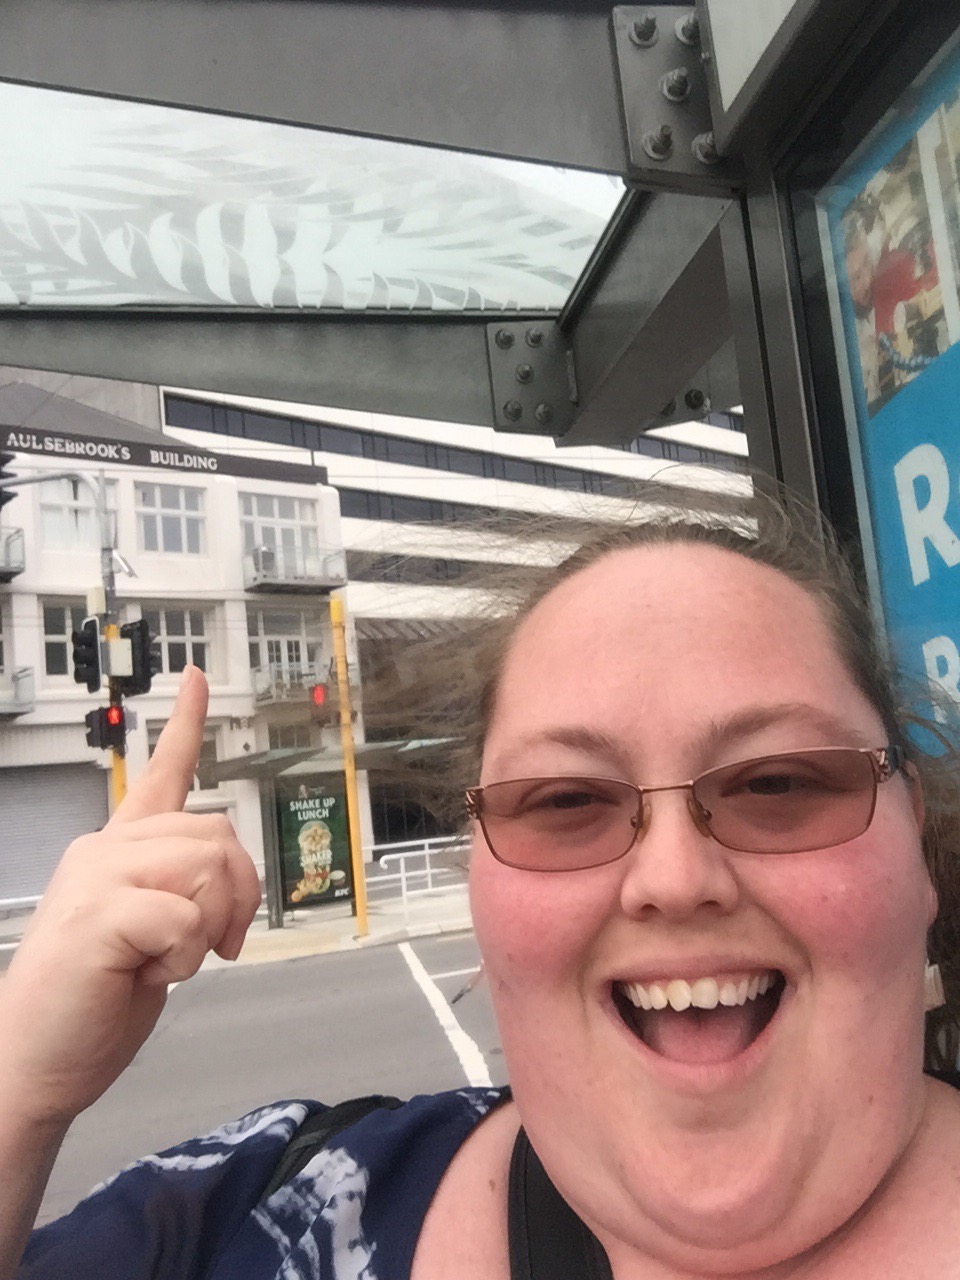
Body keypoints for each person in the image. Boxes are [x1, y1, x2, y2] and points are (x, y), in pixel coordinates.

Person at [3, 494, 960, 1278]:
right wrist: (19, 1087)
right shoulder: (242, 1215)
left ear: (913, 836)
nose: (674, 878)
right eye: (566, 800)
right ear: (479, 878)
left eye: (777, 784)